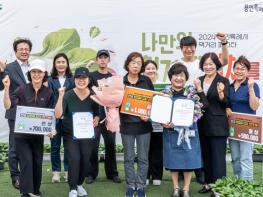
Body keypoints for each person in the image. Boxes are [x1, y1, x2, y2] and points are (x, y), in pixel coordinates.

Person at [178, 33, 229, 184]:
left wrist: (224, 42)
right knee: (202, 151)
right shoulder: (180, 65)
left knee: (217, 156)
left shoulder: (218, 78)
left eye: (191, 47)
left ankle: (216, 186)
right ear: (181, 49)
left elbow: (224, 61)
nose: (189, 50)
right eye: (185, 47)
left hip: (216, 121)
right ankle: (205, 181)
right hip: (195, 116)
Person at [2, 59, 55, 197]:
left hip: (38, 136)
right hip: (21, 135)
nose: (36, 74)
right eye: (33, 72)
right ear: (29, 73)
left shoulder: (48, 92)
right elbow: (8, 106)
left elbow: (51, 114)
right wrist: (6, 89)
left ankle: (35, 190)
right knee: (26, 162)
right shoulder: (21, 89)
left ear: (44, 74)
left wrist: (51, 129)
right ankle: (25, 193)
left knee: (37, 162)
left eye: (39, 72)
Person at [162, 63, 207, 197]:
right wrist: (164, 122)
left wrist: (190, 119)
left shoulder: (192, 93)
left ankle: (186, 189)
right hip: (171, 132)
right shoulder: (165, 94)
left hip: (189, 131)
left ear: (185, 78)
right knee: (173, 160)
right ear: (170, 77)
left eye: (181, 75)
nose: (178, 78)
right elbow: (160, 112)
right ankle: (176, 188)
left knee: (189, 159)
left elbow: (199, 110)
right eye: (176, 75)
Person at [54, 67, 99, 197]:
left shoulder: (93, 95)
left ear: (88, 80)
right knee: (74, 158)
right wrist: (61, 96)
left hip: (87, 134)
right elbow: (58, 115)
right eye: (78, 78)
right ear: (74, 79)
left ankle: (79, 184)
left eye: (84, 78)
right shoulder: (67, 94)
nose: (81, 80)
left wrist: (96, 119)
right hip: (70, 134)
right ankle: (72, 188)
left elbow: (97, 114)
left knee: (85, 159)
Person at [0, 38, 33, 190]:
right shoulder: (9, 67)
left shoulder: (35, 67)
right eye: (21, 49)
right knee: (15, 146)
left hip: (33, 113)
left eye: (27, 49)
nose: (24, 51)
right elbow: (2, 86)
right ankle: (15, 176)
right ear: (15, 52)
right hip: (15, 111)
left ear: (30, 51)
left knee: (29, 145)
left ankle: (28, 174)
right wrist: (1, 71)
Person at [120, 52, 154, 197]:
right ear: (128, 64)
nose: (136, 65)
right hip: (126, 125)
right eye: (133, 62)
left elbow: (154, 101)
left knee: (143, 158)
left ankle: (140, 186)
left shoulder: (146, 80)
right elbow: (114, 102)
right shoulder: (120, 81)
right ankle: (130, 185)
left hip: (143, 126)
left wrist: (148, 114)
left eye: (139, 63)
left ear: (142, 66)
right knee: (128, 158)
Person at [197, 52, 230, 194]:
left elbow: (227, 104)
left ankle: (219, 189)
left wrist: (222, 94)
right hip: (201, 124)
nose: (208, 67)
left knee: (218, 159)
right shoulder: (198, 80)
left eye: (211, 64)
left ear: (216, 65)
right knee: (206, 156)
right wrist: (198, 90)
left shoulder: (223, 80)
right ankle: (208, 184)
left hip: (218, 125)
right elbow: (199, 104)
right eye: (205, 64)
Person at [87, 49, 121, 184]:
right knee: (93, 146)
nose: (102, 59)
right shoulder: (91, 76)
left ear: (108, 60)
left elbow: (117, 95)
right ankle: (91, 174)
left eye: (105, 57)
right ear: (97, 60)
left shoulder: (113, 77)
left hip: (109, 116)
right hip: (94, 116)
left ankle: (112, 173)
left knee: (111, 144)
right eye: (100, 57)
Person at [227, 56, 260, 181]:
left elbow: (254, 106)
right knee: (235, 157)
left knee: (245, 158)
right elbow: (227, 104)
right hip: (233, 127)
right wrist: (226, 109)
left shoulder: (253, 85)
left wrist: (250, 89)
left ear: (247, 71)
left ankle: (246, 185)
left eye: (243, 69)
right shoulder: (229, 86)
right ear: (233, 69)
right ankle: (237, 182)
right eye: (237, 68)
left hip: (247, 127)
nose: (239, 71)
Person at [48, 53, 75, 183]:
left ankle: (68, 172)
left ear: (67, 64)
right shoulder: (49, 79)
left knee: (69, 147)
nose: (61, 64)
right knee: (55, 146)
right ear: (54, 64)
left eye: (63, 62)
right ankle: (56, 173)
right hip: (54, 118)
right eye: (58, 62)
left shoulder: (73, 79)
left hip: (69, 118)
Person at [143, 60, 163, 186]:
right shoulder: (141, 85)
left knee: (157, 151)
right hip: (144, 123)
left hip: (159, 125)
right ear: (144, 71)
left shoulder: (163, 86)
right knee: (145, 151)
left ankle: (157, 175)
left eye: (153, 68)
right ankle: (145, 175)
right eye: (148, 68)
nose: (150, 70)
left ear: (156, 70)